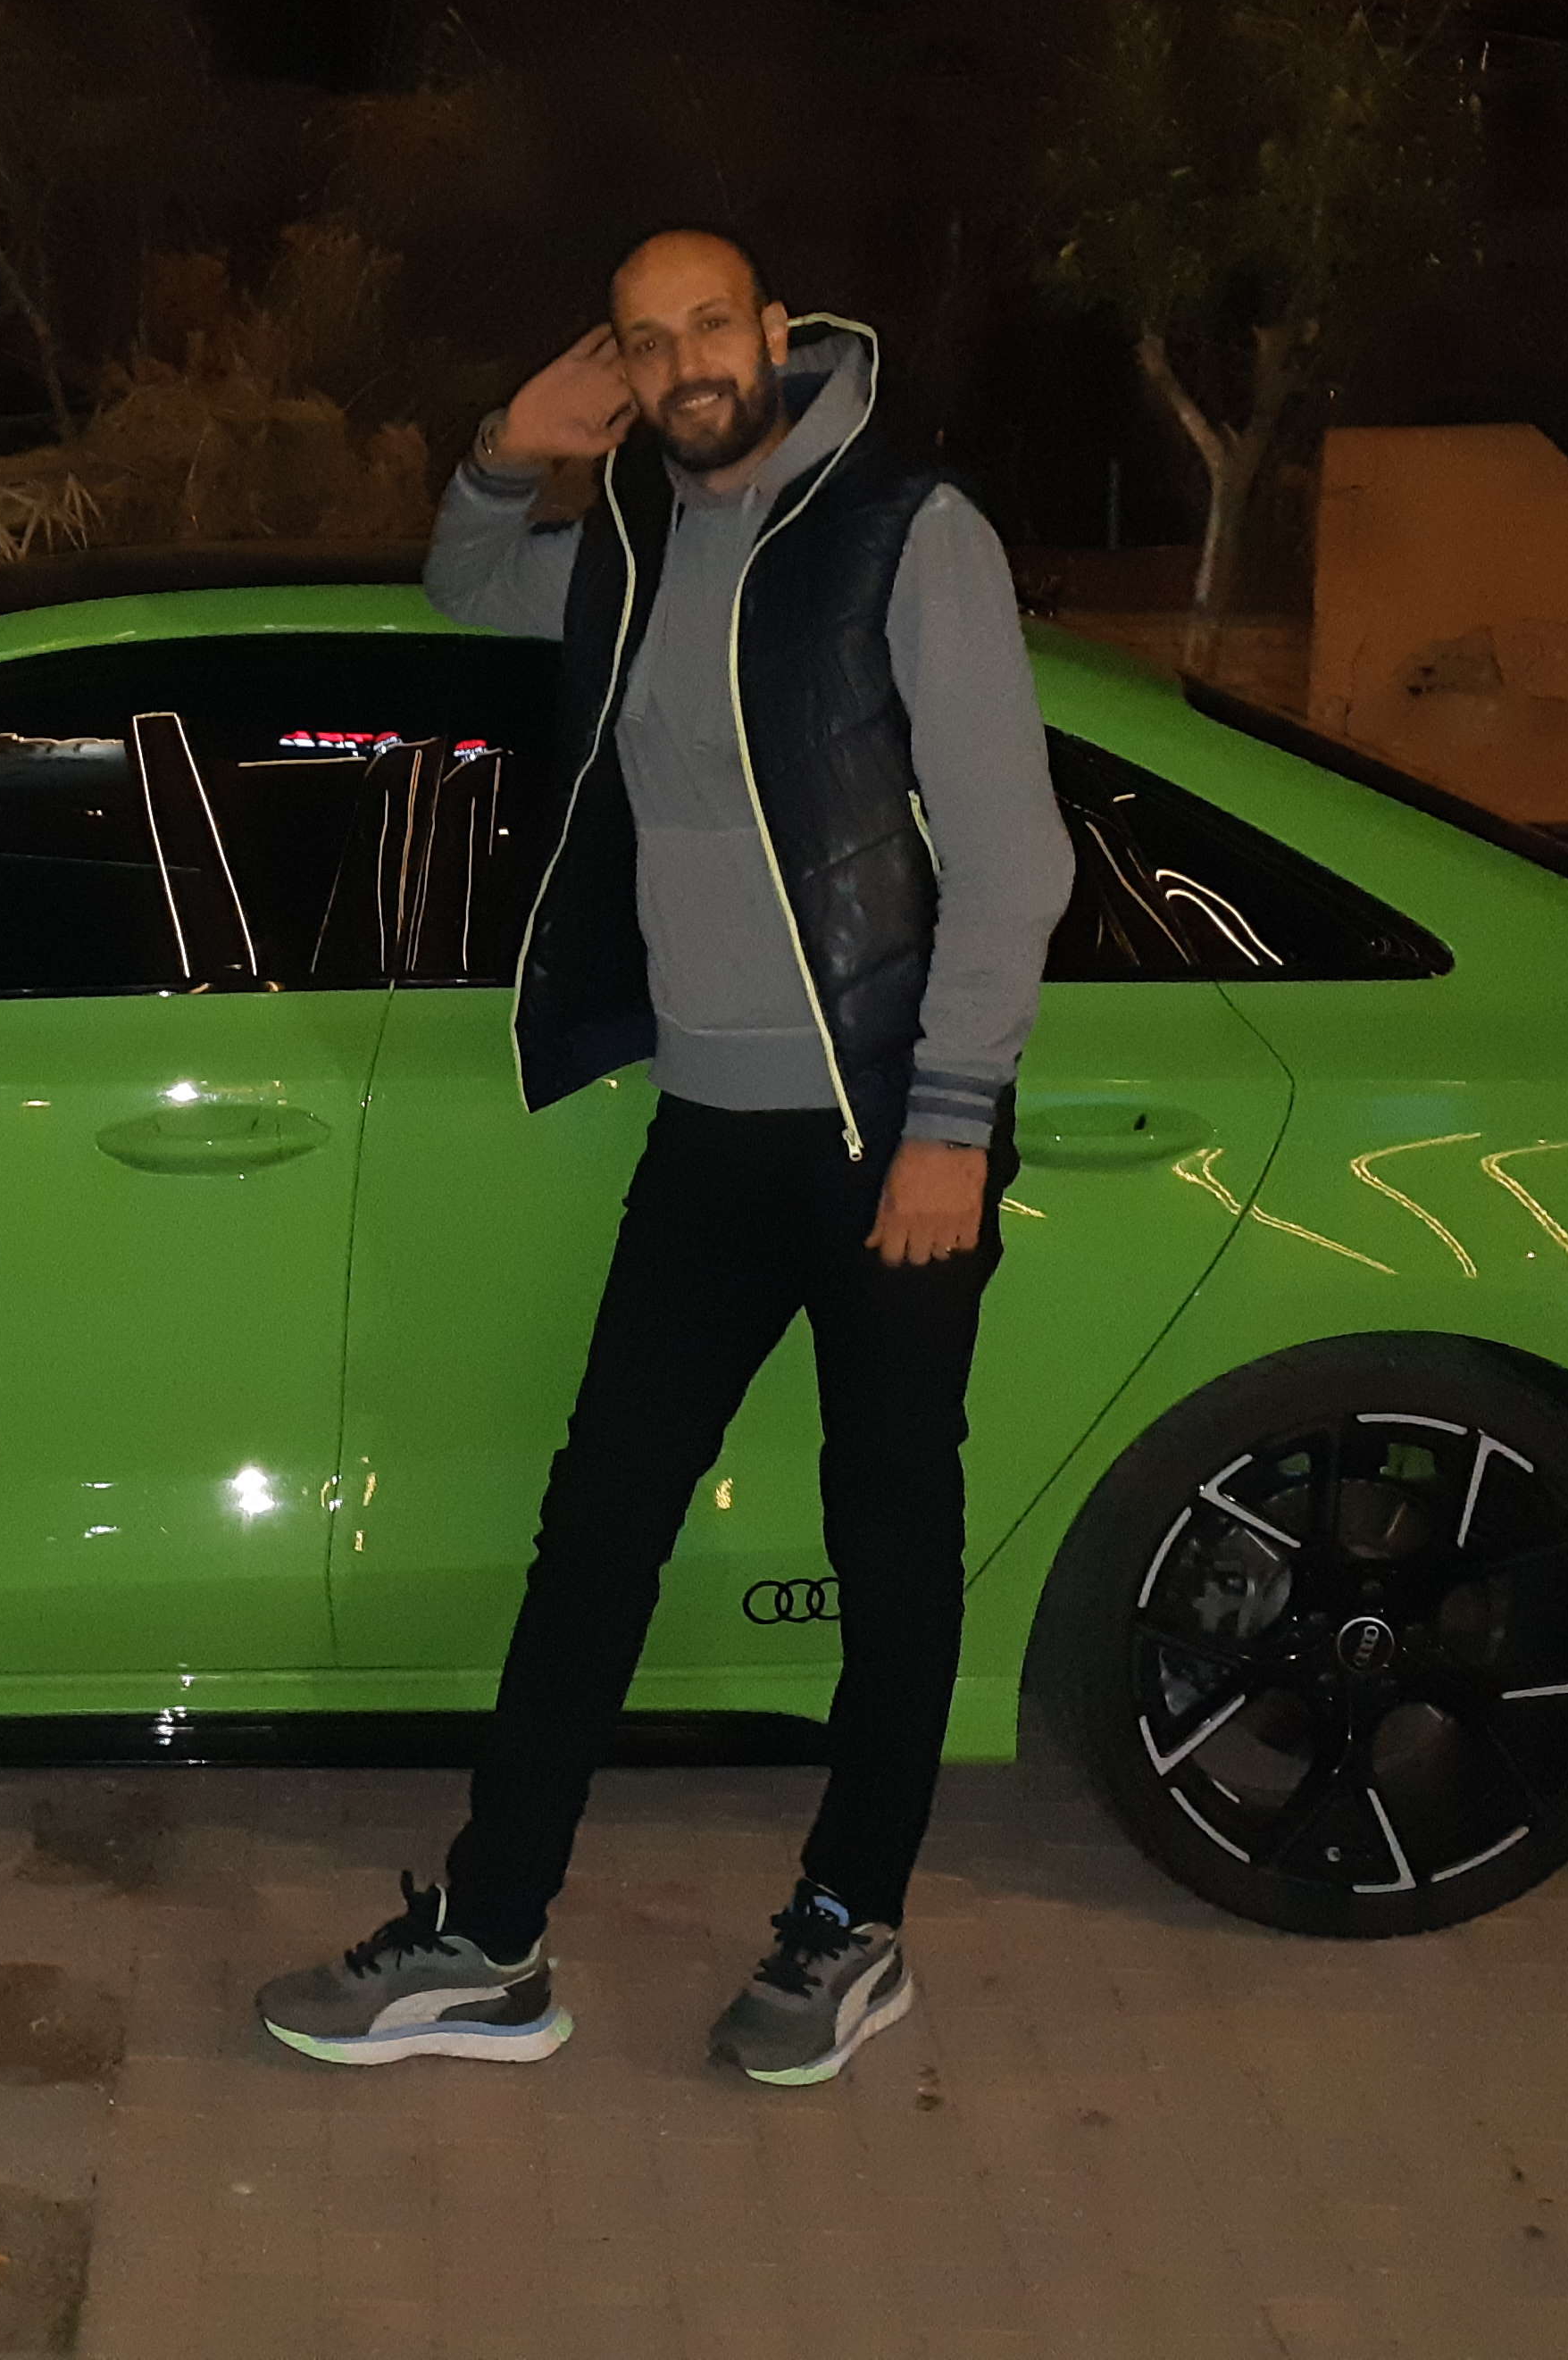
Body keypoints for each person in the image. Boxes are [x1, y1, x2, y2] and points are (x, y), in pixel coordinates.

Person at [257, 228, 1077, 2089]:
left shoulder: (905, 531)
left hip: (884, 1125)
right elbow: (469, 585)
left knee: (889, 1526)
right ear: (624, 373)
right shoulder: (631, 549)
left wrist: (952, 1122)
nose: (690, 362)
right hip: (710, 1126)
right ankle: (490, 1937)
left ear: (775, 334)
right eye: (649, 342)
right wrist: (504, 451)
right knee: (601, 1521)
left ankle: (849, 1921)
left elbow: (1013, 856)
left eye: (713, 326)